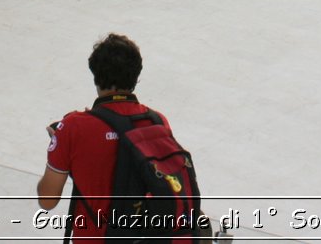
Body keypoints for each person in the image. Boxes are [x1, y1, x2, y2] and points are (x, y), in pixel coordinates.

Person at [37, 33, 202, 242]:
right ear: (136, 75)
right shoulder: (157, 122)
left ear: (95, 74)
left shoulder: (73, 127)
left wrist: (59, 144)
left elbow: (47, 200)